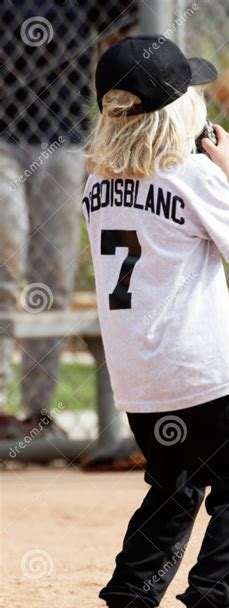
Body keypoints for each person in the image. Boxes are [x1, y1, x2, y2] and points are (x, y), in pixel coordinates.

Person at [84, 36, 229, 608]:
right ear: (177, 112)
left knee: (174, 482)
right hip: (193, 367)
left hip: (138, 373)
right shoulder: (191, 173)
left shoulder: (95, 182)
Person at [0, 2, 137, 441]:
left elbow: (124, 22)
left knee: (52, 276)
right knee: (5, 262)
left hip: (63, 137)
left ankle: (39, 412)